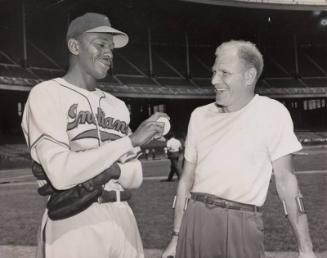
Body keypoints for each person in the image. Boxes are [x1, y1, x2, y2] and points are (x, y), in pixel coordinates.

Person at [21, 12, 168, 258]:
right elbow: (61, 173)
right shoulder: (46, 93)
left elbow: (135, 176)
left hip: (124, 216)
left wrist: (108, 168)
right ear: (74, 45)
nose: (109, 53)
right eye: (100, 44)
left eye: (111, 48)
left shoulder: (117, 106)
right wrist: (127, 143)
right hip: (74, 220)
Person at [162, 40, 316, 258]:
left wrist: (306, 248)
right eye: (214, 72)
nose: (214, 80)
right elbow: (186, 180)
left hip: (241, 223)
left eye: (224, 73)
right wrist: (176, 236)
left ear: (249, 76)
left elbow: (286, 182)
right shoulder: (199, 116)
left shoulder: (272, 113)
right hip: (194, 219)